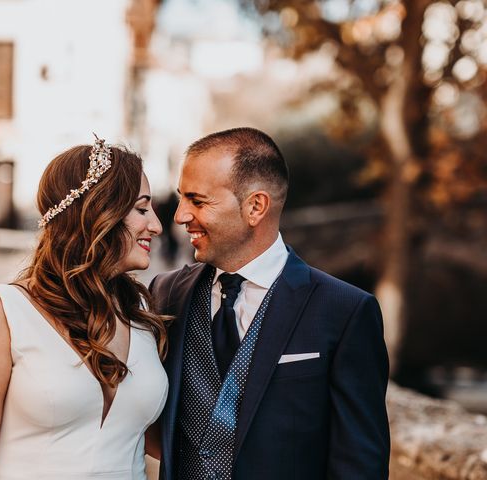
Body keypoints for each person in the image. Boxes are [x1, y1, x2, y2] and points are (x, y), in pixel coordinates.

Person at [150, 127, 390, 479]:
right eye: (181, 198)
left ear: (255, 207)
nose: (180, 216)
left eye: (198, 201)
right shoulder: (166, 294)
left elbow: (360, 466)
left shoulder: (344, 311)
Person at [0, 137, 169, 479]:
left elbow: (152, 447)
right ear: (100, 213)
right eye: (142, 209)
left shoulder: (140, 311)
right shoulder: (4, 312)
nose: (156, 225)